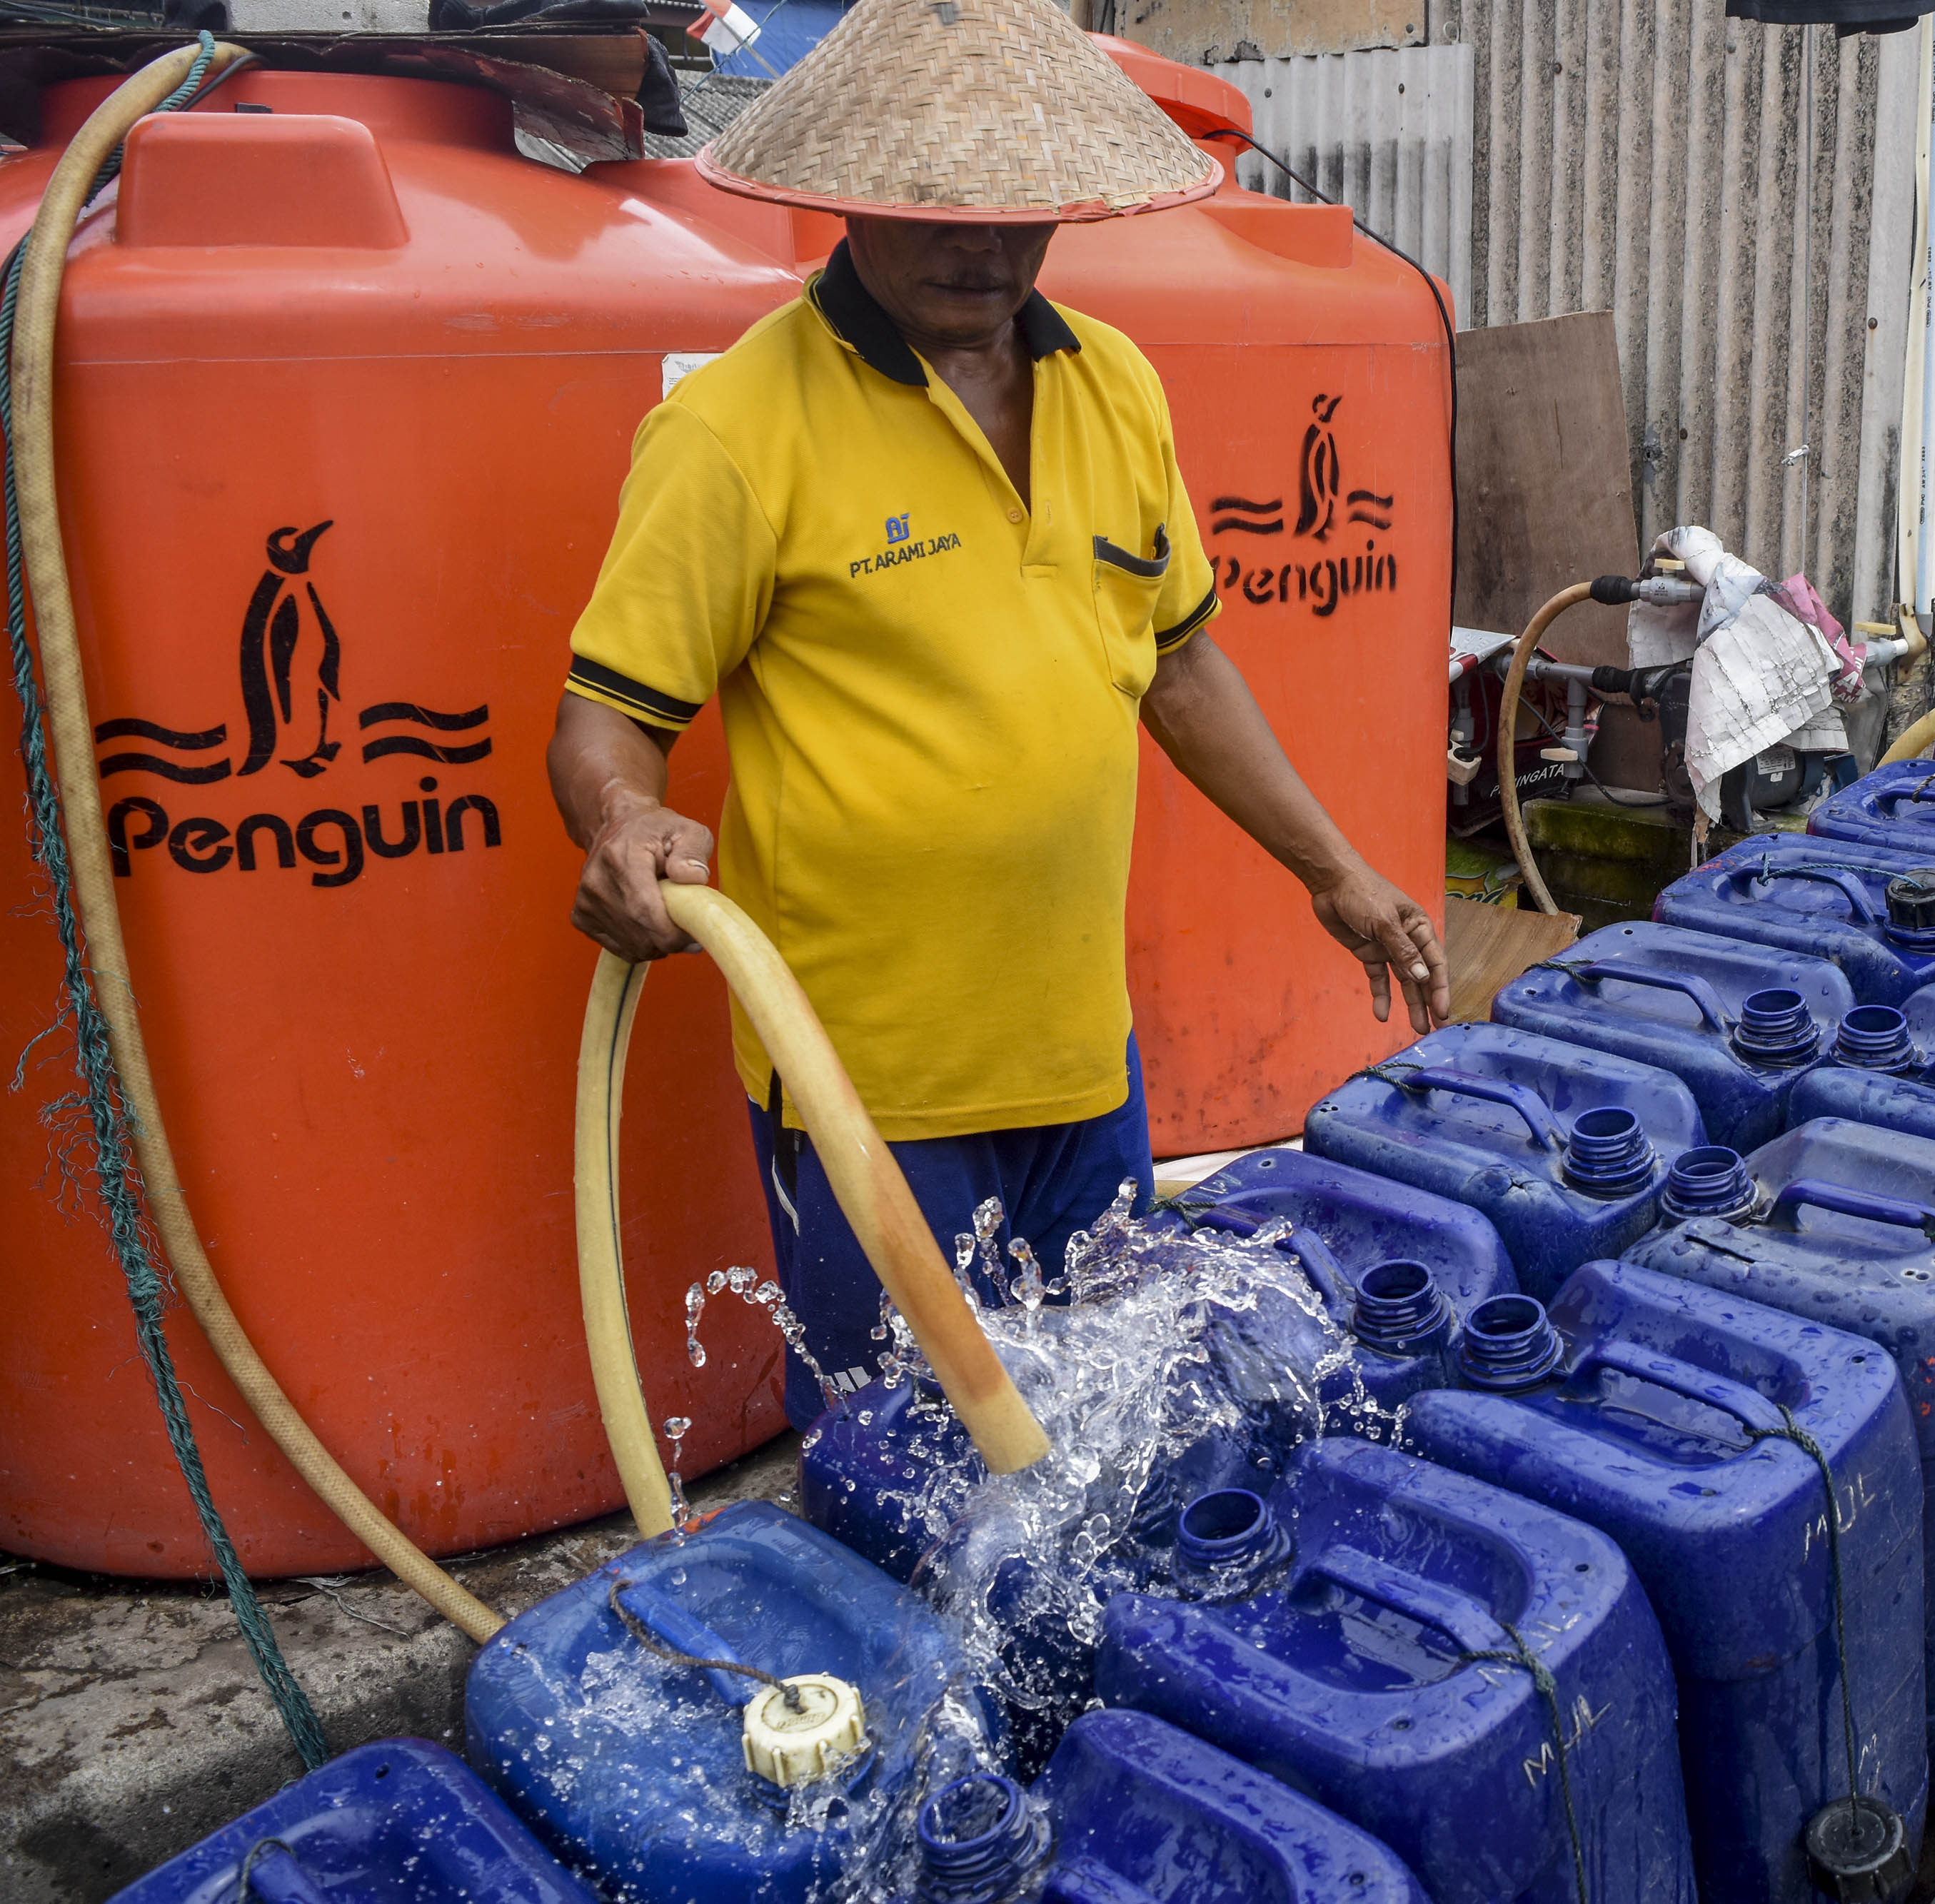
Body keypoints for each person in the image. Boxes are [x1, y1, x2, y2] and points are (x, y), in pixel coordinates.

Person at [545, 0, 1444, 1427]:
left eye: (1017, 208)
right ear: (848, 190)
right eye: (938, 206)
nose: (983, 242)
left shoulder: (1114, 383)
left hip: (1081, 1055)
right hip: (869, 1087)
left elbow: (1182, 660)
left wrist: (1331, 867)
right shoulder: (734, 428)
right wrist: (623, 816)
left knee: (1100, 1436)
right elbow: (604, 718)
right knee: (898, 1454)